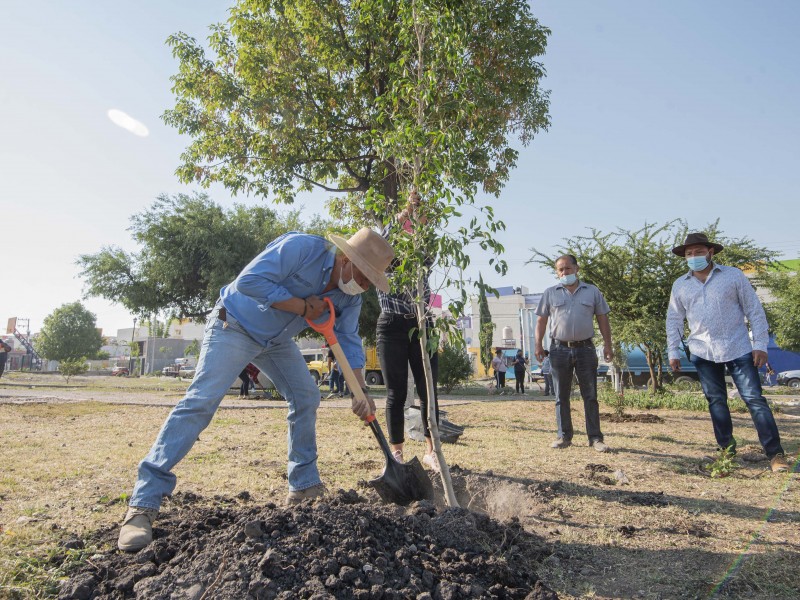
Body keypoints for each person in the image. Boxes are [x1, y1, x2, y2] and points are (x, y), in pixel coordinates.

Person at [117, 228, 395, 552]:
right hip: (233, 324)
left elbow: (347, 340)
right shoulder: (301, 249)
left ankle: (303, 485)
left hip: (275, 341)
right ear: (346, 259)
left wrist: (359, 390)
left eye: (370, 283)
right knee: (200, 402)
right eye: (363, 277)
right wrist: (303, 307)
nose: (362, 287)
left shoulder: (350, 298)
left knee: (307, 395)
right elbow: (248, 282)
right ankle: (142, 505)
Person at [666, 232, 788, 473]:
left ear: (711, 252)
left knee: (754, 399)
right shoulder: (680, 285)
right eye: (689, 254)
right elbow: (674, 320)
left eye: (699, 252)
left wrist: (760, 345)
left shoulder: (733, 276)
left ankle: (775, 454)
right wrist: (673, 351)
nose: (694, 257)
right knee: (716, 401)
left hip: (738, 348)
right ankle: (726, 451)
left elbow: (754, 310)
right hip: (702, 351)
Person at [377, 191, 441, 473]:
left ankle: (432, 452)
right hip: (391, 325)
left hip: (422, 324)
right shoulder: (385, 258)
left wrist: (422, 221)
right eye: (409, 224)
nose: (412, 226)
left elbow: (430, 248)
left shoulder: (422, 256)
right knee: (396, 393)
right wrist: (403, 214)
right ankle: (397, 453)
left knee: (429, 391)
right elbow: (382, 239)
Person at [534, 254, 613, 452]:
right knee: (561, 395)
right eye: (560, 270)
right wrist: (537, 345)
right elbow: (541, 321)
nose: (564, 273)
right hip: (559, 350)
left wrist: (607, 344)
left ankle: (595, 438)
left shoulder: (592, 291)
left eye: (568, 268)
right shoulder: (550, 293)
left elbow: (603, 318)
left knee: (590, 395)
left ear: (577, 269)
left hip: (585, 349)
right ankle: (564, 436)